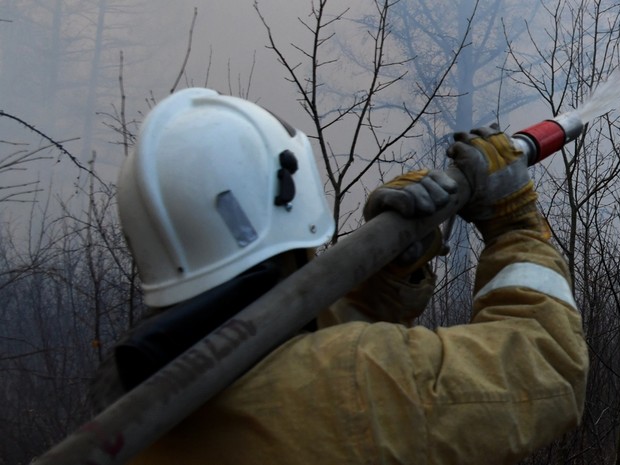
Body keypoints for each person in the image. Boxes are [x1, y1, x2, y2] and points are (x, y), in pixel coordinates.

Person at [94, 87, 588, 464]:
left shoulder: (136, 402)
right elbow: (547, 365)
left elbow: (294, 355)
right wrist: (514, 223)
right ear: (292, 195)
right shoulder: (354, 380)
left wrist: (389, 269)